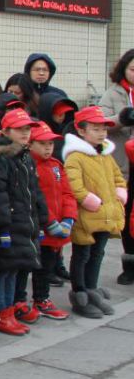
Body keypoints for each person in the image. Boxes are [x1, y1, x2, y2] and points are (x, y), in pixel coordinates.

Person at [0, 108, 50, 336]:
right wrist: (3, 226)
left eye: (28, 129)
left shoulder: (24, 156)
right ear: (6, 131)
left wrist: (41, 219)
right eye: (20, 129)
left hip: (23, 222)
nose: (25, 133)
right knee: (1, 269)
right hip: (7, 225)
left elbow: (34, 191)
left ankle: (9, 310)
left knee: (14, 268)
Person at [63, 106, 127, 318]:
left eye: (103, 129)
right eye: (96, 129)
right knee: (82, 254)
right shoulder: (75, 157)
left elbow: (118, 177)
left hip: (105, 214)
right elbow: (74, 186)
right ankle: (80, 293)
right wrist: (90, 201)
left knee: (98, 253)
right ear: (81, 131)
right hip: (87, 215)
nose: (101, 133)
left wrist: (120, 193)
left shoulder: (105, 154)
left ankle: (92, 288)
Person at [27, 124, 76, 320]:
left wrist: (69, 219)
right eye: (42, 144)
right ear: (31, 144)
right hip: (42, 228)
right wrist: (50, 222)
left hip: (59, 227)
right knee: (40, 267)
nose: (48, 148)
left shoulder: (56, 165)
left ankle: (42, 299)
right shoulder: (31, 165)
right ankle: (39, 299)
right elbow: (34, 199)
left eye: (51, 144)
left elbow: (67, 193)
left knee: (48, 265)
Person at [98, 49, 134, 284]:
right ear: (124, 69)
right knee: (126, 213)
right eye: (133, 69)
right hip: (123, 162)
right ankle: (129, 265)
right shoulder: (113, 93)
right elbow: (100, 122)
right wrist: (122, 118)